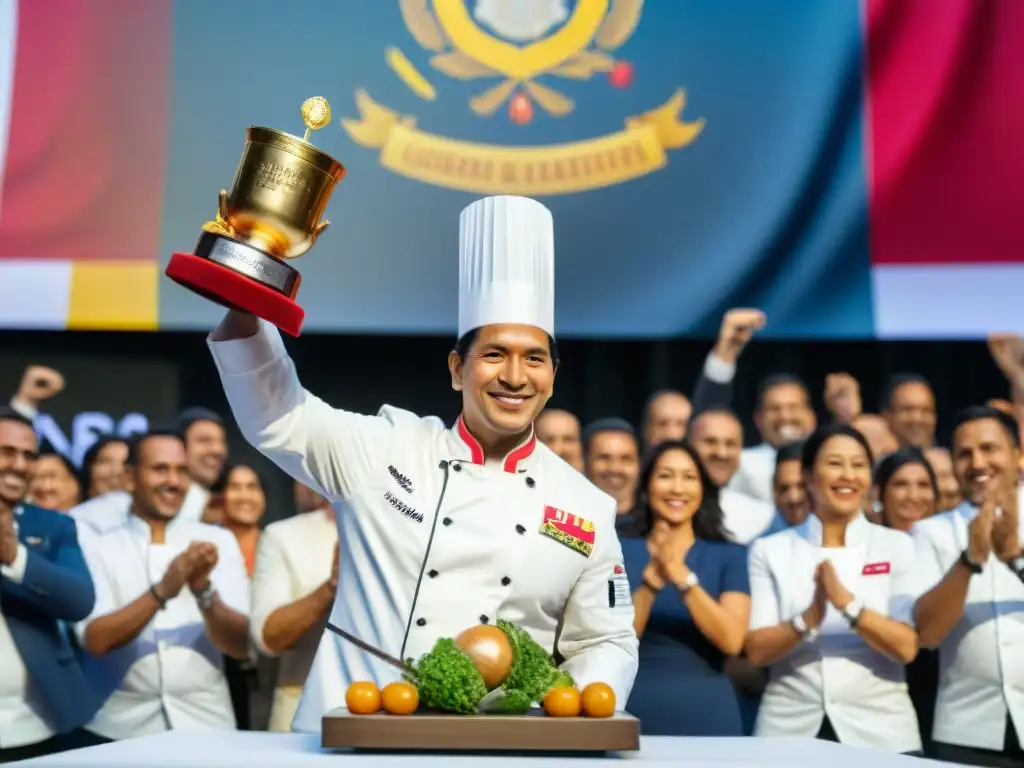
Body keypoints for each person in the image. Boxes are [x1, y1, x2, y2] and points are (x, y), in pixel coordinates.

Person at [207, 195, 638, 734]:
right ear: (458, 369)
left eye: (534, 358)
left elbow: (606, 639)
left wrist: (572, 712)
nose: (514, 376)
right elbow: (279, 417)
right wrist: (248, 290)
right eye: (494, 354)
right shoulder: (387, 447)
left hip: (502, 743)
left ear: (553, 375)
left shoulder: (585, 507)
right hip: (353, 730)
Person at [746, 424, 921, 754]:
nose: (848, 475)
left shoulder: (897, 545)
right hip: (788, 730)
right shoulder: (770, 549)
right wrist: (808, 617)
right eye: (835, 463)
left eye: (858, 465)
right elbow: (757, 650)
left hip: (882, 731)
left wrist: (849, 607)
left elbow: (906, 647)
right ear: (809, 477)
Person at [74, 430, 250, 742]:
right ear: (130, 478)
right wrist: (162, 590)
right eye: (160, 469)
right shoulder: (97, 546)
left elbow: (241, 646)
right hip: (116, 731)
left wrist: (203, 592)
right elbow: (96, 640)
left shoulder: (218, 541)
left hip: (207, 725)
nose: (173, 481)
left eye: (182, 470)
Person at [912, 406, 1024, 767]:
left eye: (989, 449)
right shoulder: (930, 533)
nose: (977, 463)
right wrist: (968, 561)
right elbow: (927, 633)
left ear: (1017, 455)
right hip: (967, 730)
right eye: (964, 453)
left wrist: (1017, 561)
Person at [621, 440, 749, 735]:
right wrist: (651, 584)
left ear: (703, 490)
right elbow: (615, 640)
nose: (677, 489)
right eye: (665, 476)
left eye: (689, 478)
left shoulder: (730, 555)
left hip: (709, 714)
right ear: (647, 485)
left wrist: (682, 577)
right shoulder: (618, 550)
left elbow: (732, 641)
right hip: (632, 710)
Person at [0, 407, 99, 762]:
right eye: (6, 452)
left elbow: (80, 601)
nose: (19, 464)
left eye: (28, 455)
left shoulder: (52, 526)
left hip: (33, 728)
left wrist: (15, 559)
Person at [250, 482, 338, 732]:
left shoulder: (409, 531)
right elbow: (267, 637)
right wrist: (331, 586)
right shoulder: (284, 536)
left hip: (392, 709)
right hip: (305, 711)